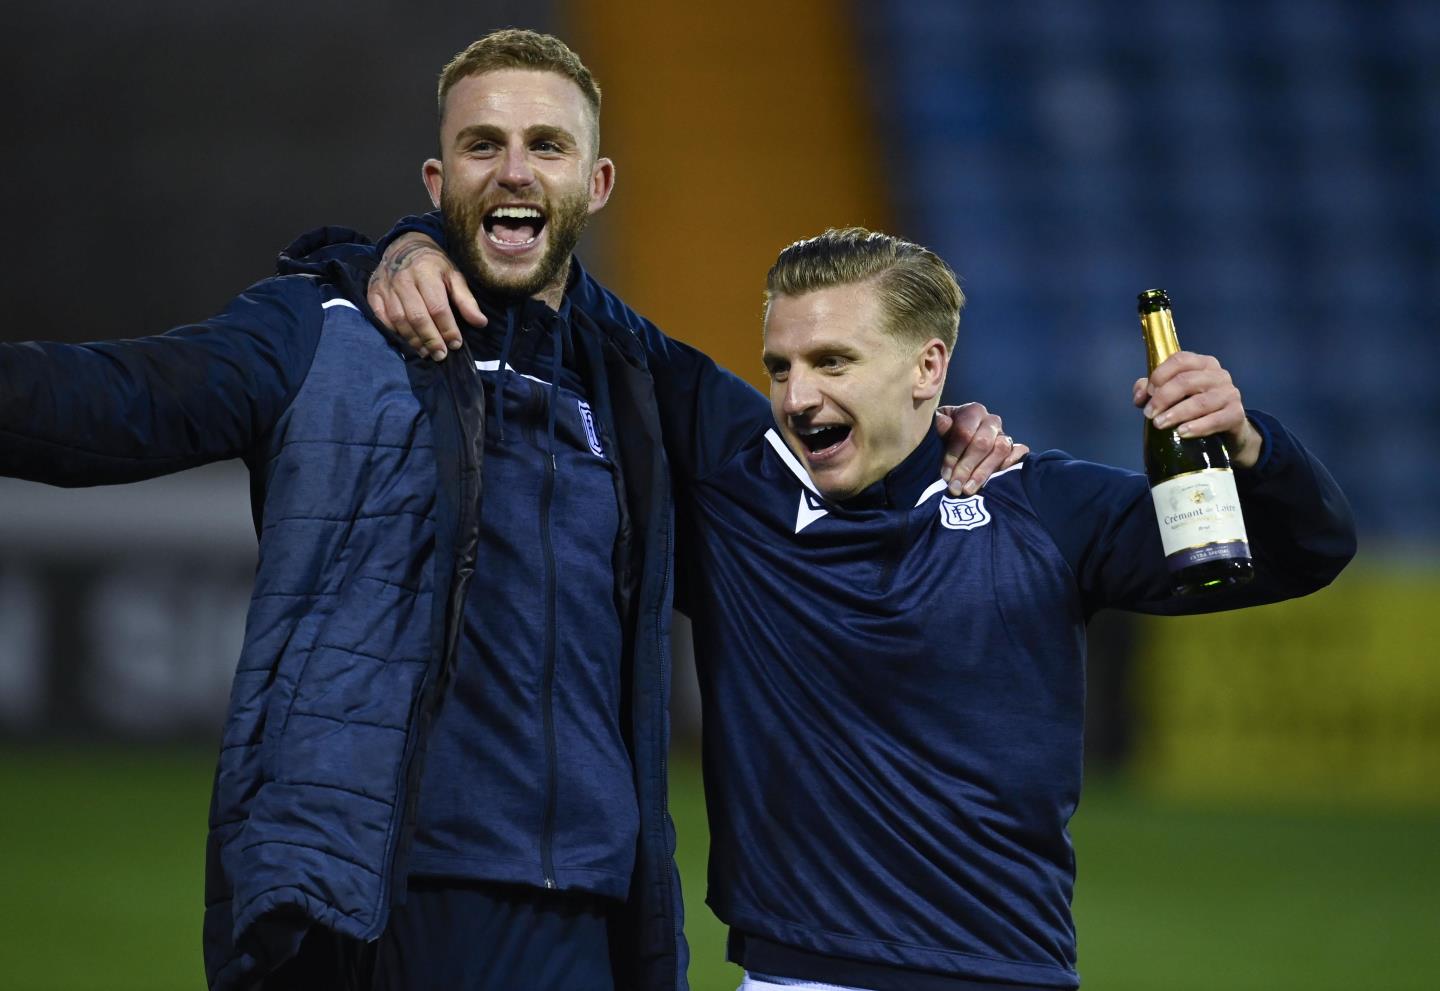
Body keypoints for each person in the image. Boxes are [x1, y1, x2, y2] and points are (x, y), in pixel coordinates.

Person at [0, 31, 1018, 991]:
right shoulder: (324, 327)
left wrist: (932, 429)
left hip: (581, 913)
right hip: (366, 896)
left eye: (547, 145)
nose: (516, 169)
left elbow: (826, 482)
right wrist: (384, 254)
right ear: (439, 183)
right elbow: (118, 404)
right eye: (483, 144)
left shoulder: (642, 385)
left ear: (595, 183)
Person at [367, 225, 1356, 990]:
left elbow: (1304, 552)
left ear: (929, 368)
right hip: (793, 971)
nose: (798, 396)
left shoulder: (1044, 508)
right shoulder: (734, 479)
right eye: (782, 366)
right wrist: (412, 244)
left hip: (1007, 973)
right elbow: (544, 273)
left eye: (834, 362)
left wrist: (1252, 443)